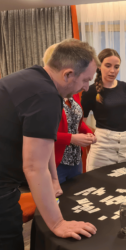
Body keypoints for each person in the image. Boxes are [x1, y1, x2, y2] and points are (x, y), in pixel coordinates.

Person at [0, 39, 100, 250]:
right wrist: (58, 223)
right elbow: (33, 166)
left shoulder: (33, 78)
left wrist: (53, 178)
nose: (87, 87)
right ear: (68, 74)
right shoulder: (46, 95)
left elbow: (43, 143)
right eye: (85, 80)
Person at [42, 44, 97, 184]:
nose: (85, 87)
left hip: (75, 159)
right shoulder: (46, 96)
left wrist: (88, 133)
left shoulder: (73, 91)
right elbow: (44, 134)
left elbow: (76, 121)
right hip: (56, 162)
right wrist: (71, 139)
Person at [81, 48, 126, 171]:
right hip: (102, 146)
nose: (112, 71)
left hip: (125, 144)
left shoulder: (125, 87)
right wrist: (100, 134)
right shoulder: (90, 91)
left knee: (124, 182)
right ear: (99, 66)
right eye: (108, 66)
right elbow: (81, 121)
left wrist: (118, 132)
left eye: (116, 67)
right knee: (97, 182)